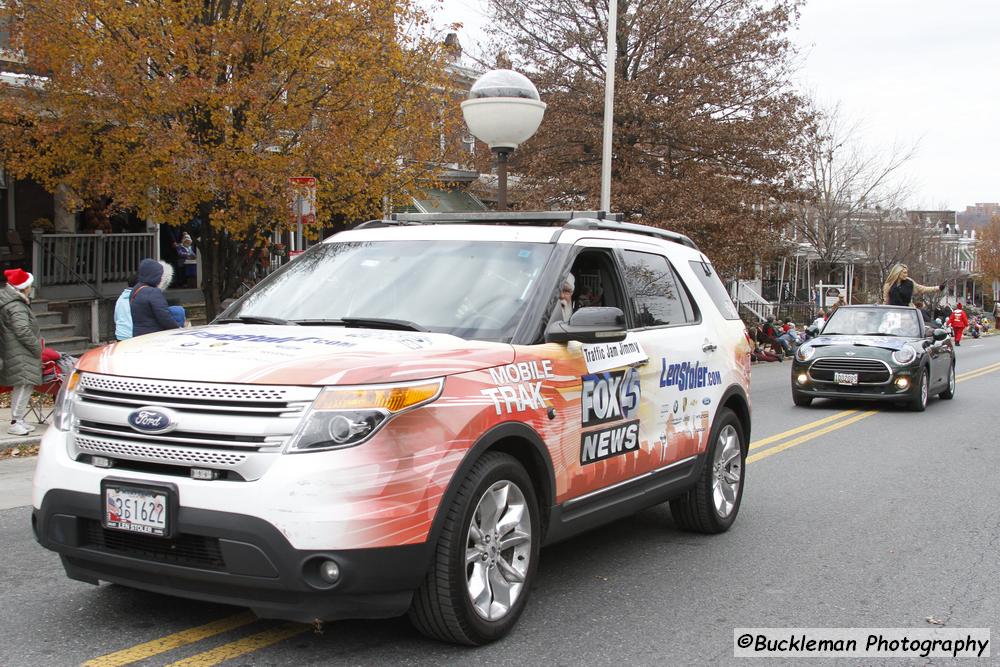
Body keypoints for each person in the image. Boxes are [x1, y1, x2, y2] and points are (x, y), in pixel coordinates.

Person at [0, 268, 43, 435]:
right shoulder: (17, 306)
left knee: (21, 385)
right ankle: (16, 421)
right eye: (30, 285)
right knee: (24, 385)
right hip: (21, 352)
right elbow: (22, 330)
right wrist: (37, 347)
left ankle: (19, 420)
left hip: (13, 350)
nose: (31, 288)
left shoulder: (9, 301)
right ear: (24, 287)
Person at [130, 259, 181, 336]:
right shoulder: (153, 292)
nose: (160, 279)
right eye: (159, 275)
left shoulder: (135, 289)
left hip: (138, 334)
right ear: (153, 275)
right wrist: (178, 328)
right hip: (153, 335)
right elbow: (164, 317)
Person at [114, 273, 137, 341]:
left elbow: (116, 318)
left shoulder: (121, 298)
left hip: (120, 334)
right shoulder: (139, 297)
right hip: (133, 335)